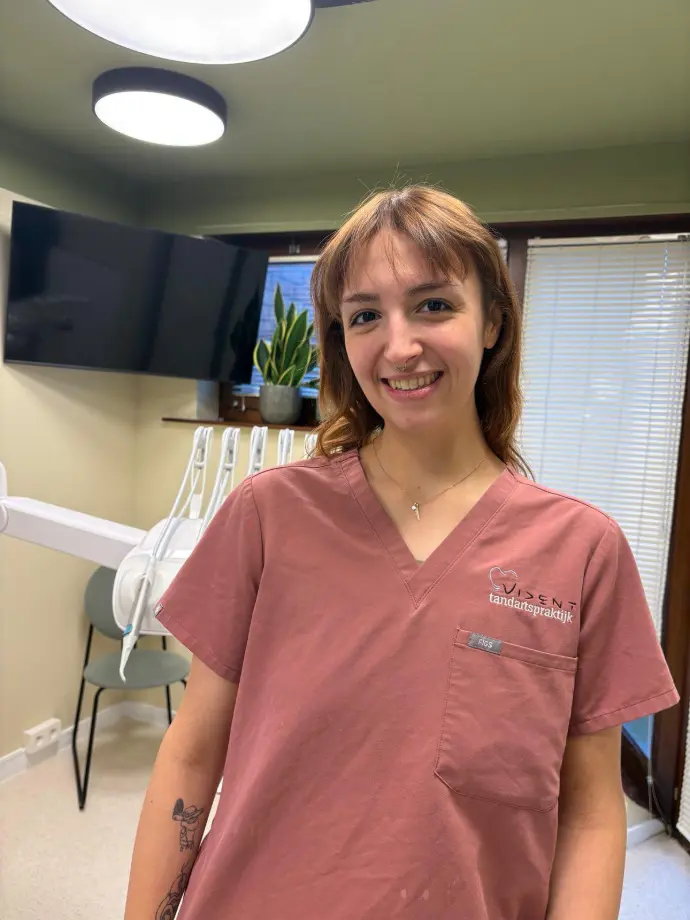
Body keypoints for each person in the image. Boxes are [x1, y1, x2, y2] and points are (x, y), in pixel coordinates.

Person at [123, 185, 680, 920]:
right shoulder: (267, 516)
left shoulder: (582, 552)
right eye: (364, 316)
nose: (399, 346)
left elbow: (589, 816)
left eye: (433, 305)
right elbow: (193, 755)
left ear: (493, 322)